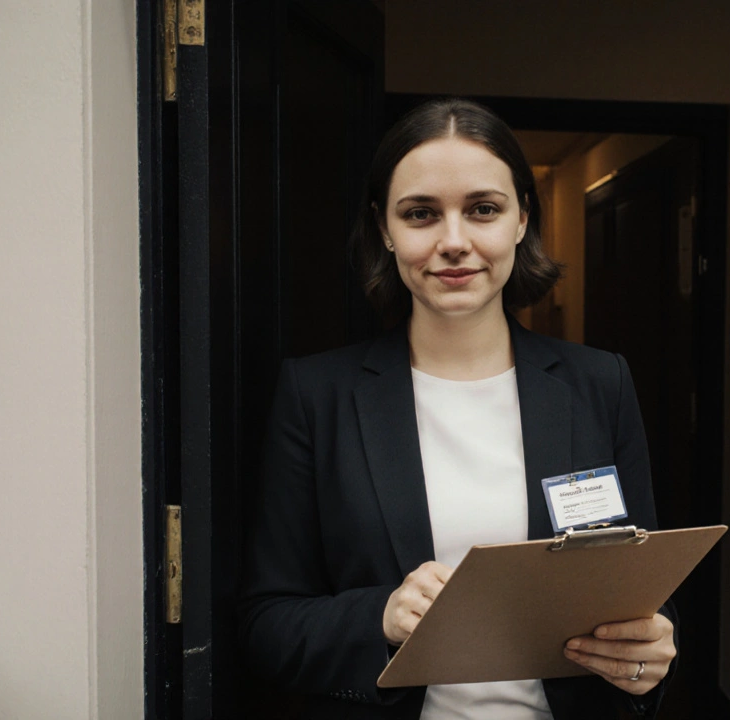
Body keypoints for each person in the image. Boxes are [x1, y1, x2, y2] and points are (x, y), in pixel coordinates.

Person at [239, 97, 677, 720]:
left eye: (483, 210)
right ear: (385, 229)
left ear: (522, 219)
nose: (453, 241)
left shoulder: (598, 384)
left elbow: (644, 593)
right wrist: (380, 615)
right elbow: (266, 626)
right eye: (420, 213)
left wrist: (650, 657)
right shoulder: (317, 396)